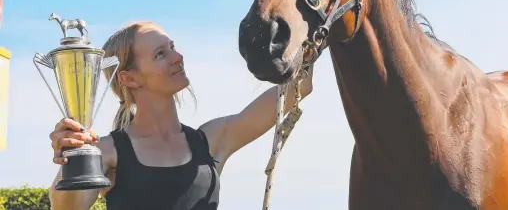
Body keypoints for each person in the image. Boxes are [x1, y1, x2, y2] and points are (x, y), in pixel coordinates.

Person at [47, 20, 313, 210]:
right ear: (129, 78)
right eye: (161, 54)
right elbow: (66, 208)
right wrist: (72, 157)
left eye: (172, 47)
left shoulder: (211, 140)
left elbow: (298, 86)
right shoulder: (106, 150)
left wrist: (308, 25)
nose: (178, 57)